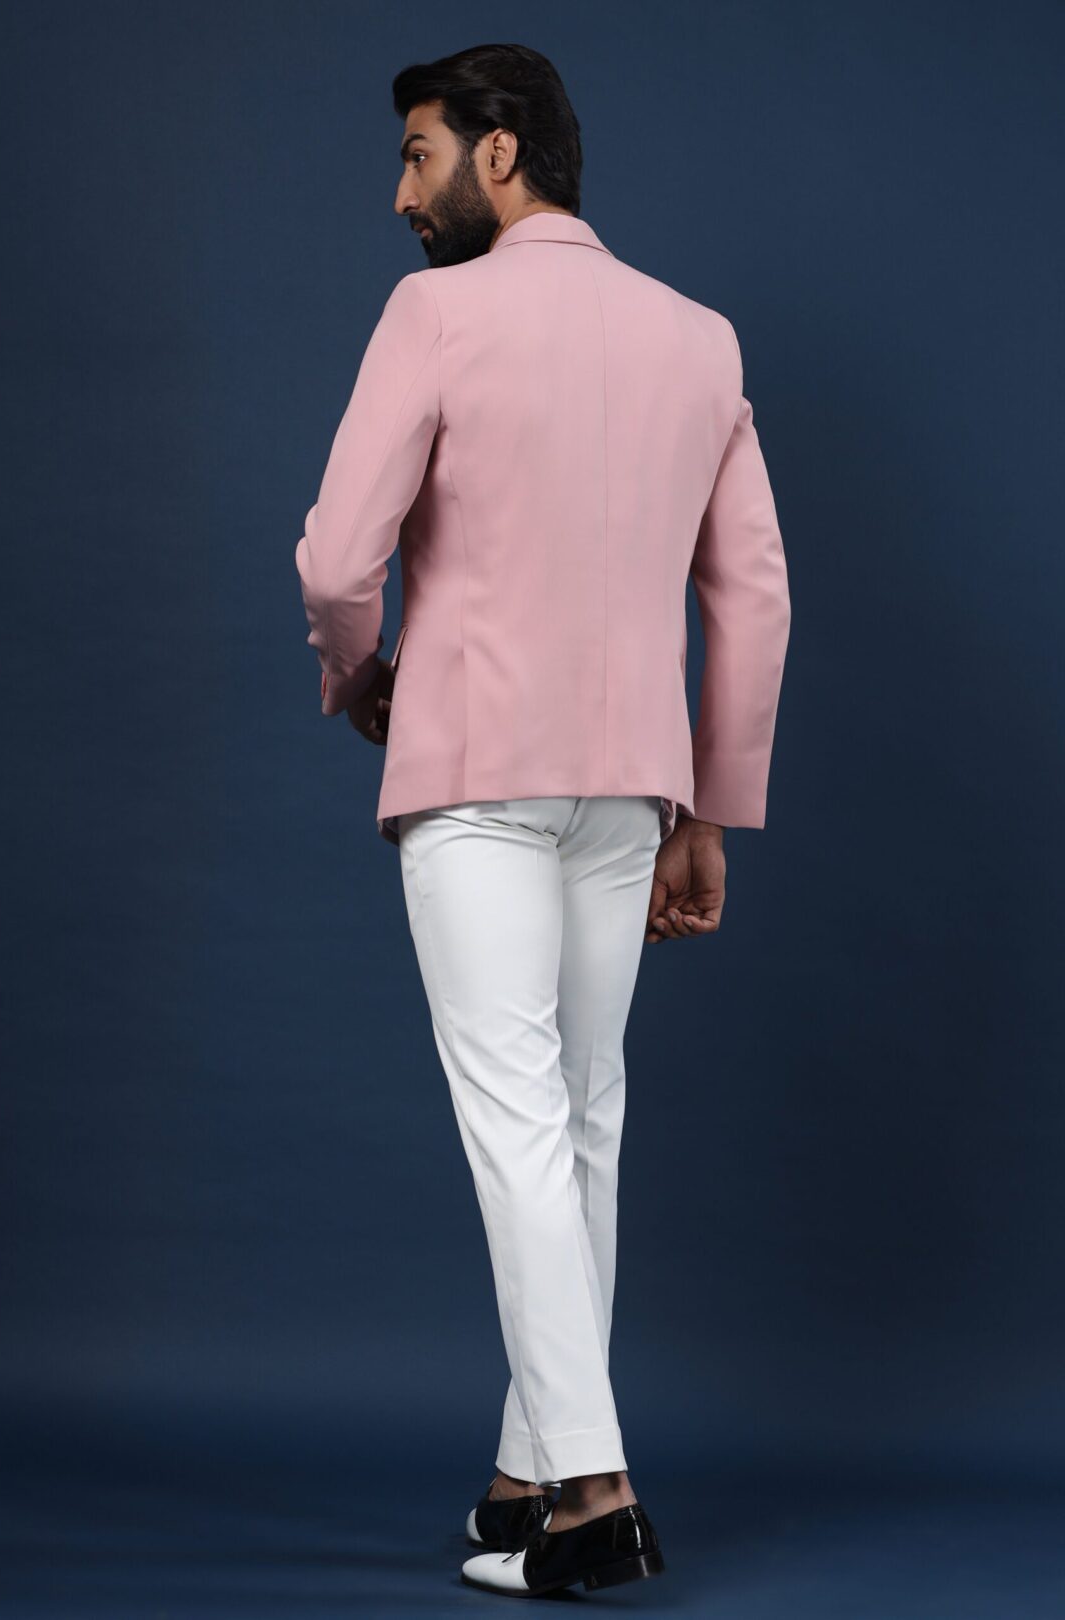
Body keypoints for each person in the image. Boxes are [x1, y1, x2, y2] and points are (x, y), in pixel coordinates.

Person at [294, 42, 791, 1599]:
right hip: (630, 781)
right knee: (581, 1120)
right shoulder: (697, 339)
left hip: (475, 771)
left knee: (522, 1122)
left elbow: (337, 558)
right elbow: (754, 598)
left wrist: (359, 675)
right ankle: (525, 1478)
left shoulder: (436, 314)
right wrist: (712, 810)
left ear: (499, 153)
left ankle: (595, 1500)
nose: (401, 193)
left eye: (418, 154)